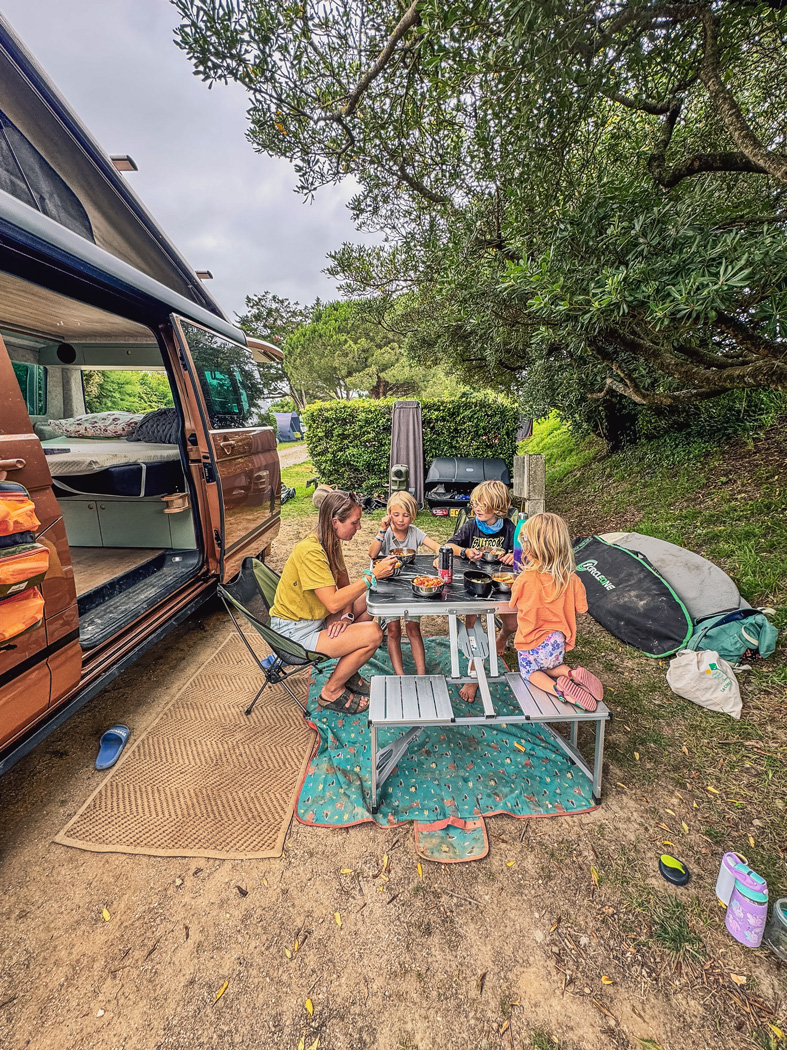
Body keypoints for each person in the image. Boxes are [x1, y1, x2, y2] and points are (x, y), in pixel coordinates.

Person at [270, 490, 397, 714]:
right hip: (294, 634)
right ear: (335, 522)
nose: (359, 528)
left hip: (315, 618)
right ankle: (331, 691)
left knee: (369, 602)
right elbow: (332, 603)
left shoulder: (330, 542)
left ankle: (348, 672)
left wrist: (347, 617)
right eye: (354, 522)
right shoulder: (311, 552)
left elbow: (344, 585)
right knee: (374, 633)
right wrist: (372, 576)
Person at [508, 512, 604, 711]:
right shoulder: (572, 579)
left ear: (531, 547)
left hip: (531, 641)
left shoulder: (525, 578)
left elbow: (512, 605)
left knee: (531, 672)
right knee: (551, 667)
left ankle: (559, 690)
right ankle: (572, 674)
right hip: (557, 642)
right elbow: (582, 608)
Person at [443, 480, 518, 701]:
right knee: (473, 628)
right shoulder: (471, 526)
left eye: (482, 505)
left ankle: (501, 638)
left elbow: (522, 553)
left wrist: (513, 555)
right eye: (475, 503)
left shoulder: (509, 528)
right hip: (475, 584)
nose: (476, 508)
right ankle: (474, 675)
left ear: (498, 507)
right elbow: (449, 546)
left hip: (501, 585)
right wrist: (465, 552)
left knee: (512, 624)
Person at [368, 491, 441, 675]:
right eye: (396, 514)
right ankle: (399, 674)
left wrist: (439, 556)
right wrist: (382, 529)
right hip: (389, 588)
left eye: (406, 515)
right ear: (389, 515)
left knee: (413, 629)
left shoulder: (415, 532)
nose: (401, 519)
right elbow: (372, 554)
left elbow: (437, 546)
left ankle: (421, 673)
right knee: (393, 631)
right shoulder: (387, 533)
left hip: (411, 589)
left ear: (413, 516)